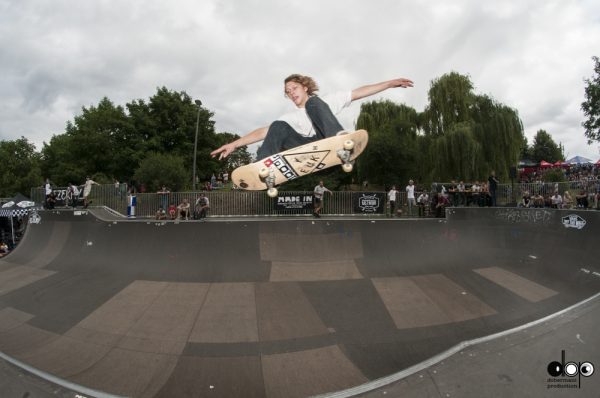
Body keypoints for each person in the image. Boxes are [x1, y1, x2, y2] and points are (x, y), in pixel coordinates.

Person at [210, 74, 413, 161]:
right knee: (277, 125)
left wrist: (388, 83)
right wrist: (235, 144)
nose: (291, 93)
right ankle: (266, 164)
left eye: (294, 88)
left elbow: (358, 92)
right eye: (287, 91)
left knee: (313, 103)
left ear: (304, 87)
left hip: (327, 140)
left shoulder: (324, 101)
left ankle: (339, 140)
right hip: (305, 150)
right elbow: (263, 132)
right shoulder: (289, 116)